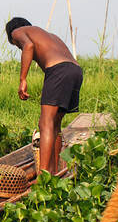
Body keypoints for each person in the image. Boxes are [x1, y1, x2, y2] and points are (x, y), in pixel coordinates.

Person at [7, 18, 81, 176]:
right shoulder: (50, 36)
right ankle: (54, 172)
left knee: (44, 123)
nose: (19, 47)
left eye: (16, 45)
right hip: (75, 71)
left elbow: (29, 46)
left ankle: (44, 176)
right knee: (55, 125)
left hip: (59, 70)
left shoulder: (17, 31)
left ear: (13, 37)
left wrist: (23, 80)